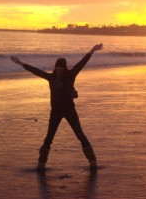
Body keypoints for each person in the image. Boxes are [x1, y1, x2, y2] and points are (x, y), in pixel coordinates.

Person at [10, 43, 103, 172]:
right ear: (55, 66)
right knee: (49, 137)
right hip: (55, 112)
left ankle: (93, 161)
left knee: (80, 135)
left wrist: (92, 50)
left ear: (65, 67)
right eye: (57, 66)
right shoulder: (51, 78)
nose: (59, 68)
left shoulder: (71, 75)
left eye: (61, 66)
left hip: (70, 111)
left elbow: (82, 63)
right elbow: (36, 71)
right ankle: (41, 164)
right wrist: (20, 63)